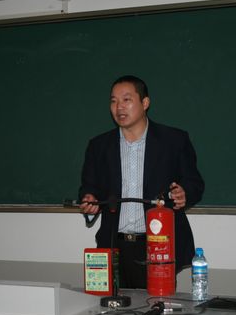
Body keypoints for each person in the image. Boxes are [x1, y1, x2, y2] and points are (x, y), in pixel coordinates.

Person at [78, 75, 205, 289]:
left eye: (126, 99)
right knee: (110, 307)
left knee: (156, 306)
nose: (119, 107)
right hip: (113, 246)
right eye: (113, 101)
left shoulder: (174, 141)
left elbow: (194, 183)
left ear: (145, 103)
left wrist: (185, 193)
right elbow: (89, 187)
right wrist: (89, 200)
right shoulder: (99, 146)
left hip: (158, 245)